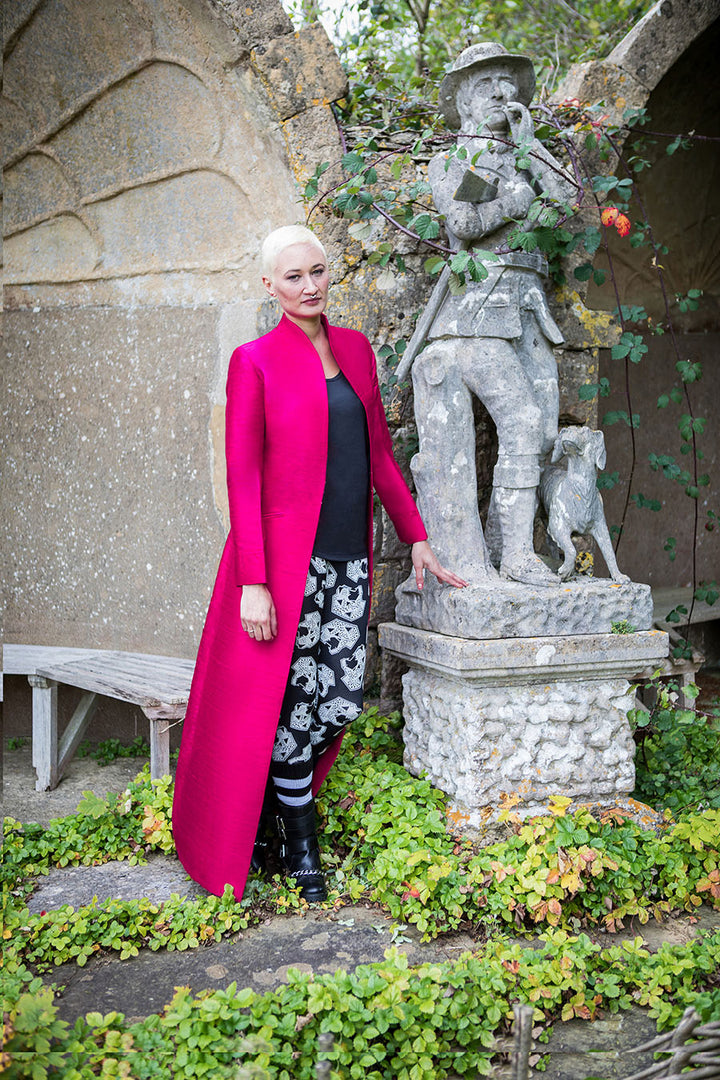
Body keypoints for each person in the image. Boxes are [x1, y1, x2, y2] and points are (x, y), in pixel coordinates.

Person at [172, 225, 466, 902]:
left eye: (318, 272)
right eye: (294, 277)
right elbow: (242, 476)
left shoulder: (357, 351)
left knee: (332, 701)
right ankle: (298, 845)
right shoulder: (255, 361)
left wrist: (416, 535)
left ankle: (281, 821)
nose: (310, 287)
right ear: (269, 286)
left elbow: (381, 457)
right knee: (282, 706)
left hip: (346, 558)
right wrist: (253, 583)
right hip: (279, 568)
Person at [407, 43, 577, 586]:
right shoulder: (465, 161)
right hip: (478, 311)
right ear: (462, 100)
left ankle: (509, 546)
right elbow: (465, 222)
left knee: (544, 431)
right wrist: (515, 200)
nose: (502, 93)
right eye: (486, 85)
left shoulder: (522, 156)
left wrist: (530, 149)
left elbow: (569, 202)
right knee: (523, 421)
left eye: (508, 81)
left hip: (527, 308)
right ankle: (520, 557)